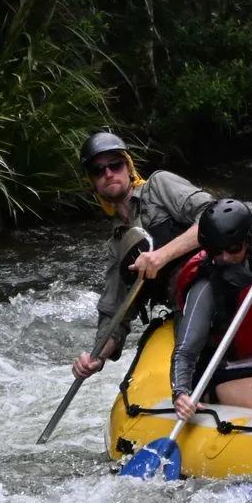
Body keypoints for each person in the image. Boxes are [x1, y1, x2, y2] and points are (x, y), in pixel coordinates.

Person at [73, 131, 213, 381]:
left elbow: (215, 217)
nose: (108, 173)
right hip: (180, 305)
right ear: (92, 182)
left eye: (115, 164)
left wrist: (161, 256)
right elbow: (115, 314)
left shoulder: (159, 187)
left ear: (128, 167)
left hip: (213, 281)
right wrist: (96, 357)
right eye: (98, 170)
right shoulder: (117, 246)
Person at [171, 199, 252, 421]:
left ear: (247, 242)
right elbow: (185, 351)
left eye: (233, 249)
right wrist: (180, 392)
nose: (225, 258)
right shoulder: (206, 287)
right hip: (228, 370)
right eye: (216, 252)